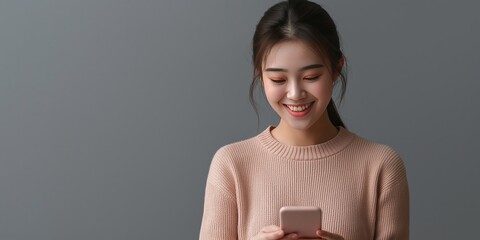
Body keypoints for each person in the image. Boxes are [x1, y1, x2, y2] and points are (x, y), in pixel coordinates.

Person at [199, 0, 409, 239]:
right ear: (260, 75)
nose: (295, 93)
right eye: (278, 80)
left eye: (311, 76)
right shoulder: (231, 165)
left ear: (336, 68)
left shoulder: (381, 165)